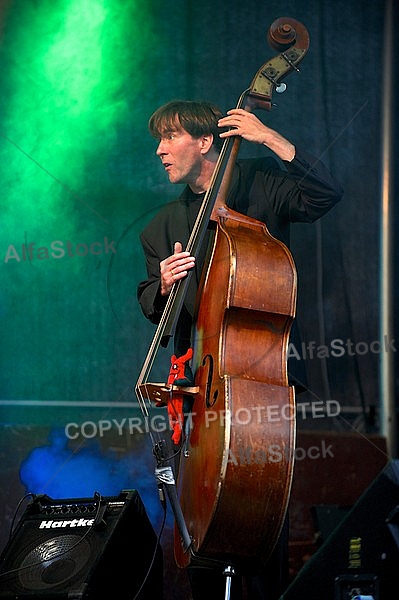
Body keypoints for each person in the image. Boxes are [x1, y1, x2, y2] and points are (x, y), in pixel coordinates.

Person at [137, 99, 343, 599]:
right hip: (197, 390)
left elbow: (324, 195)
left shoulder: (261, 183)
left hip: (259, 388)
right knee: (200, 528)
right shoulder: (160, 226)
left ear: (205, 142)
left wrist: (270, 139)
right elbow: (156, 309)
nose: (161, 151)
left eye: (170, 138)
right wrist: (162, 286)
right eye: (159, 142)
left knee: (258, 522)